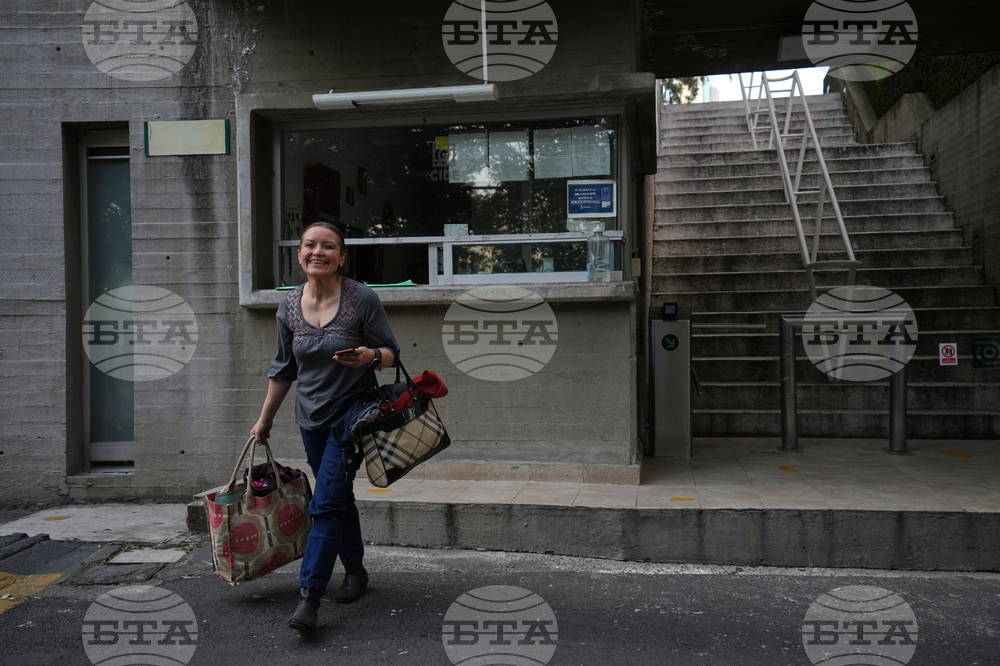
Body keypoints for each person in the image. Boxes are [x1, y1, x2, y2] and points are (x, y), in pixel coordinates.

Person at [250, 221, 399, 635]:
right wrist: (265, 421)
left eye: (328, 246)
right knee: (337, 496)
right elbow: (283, 369)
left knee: (326, 504)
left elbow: (392, 353)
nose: (318, 252)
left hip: (351, 415)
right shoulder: (289, 305)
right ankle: (355, 569)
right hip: (309, 419)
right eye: (310, 245)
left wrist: (371, 355)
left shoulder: (360, 298)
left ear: (342, 256)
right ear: (299, 254)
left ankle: (309, 598)